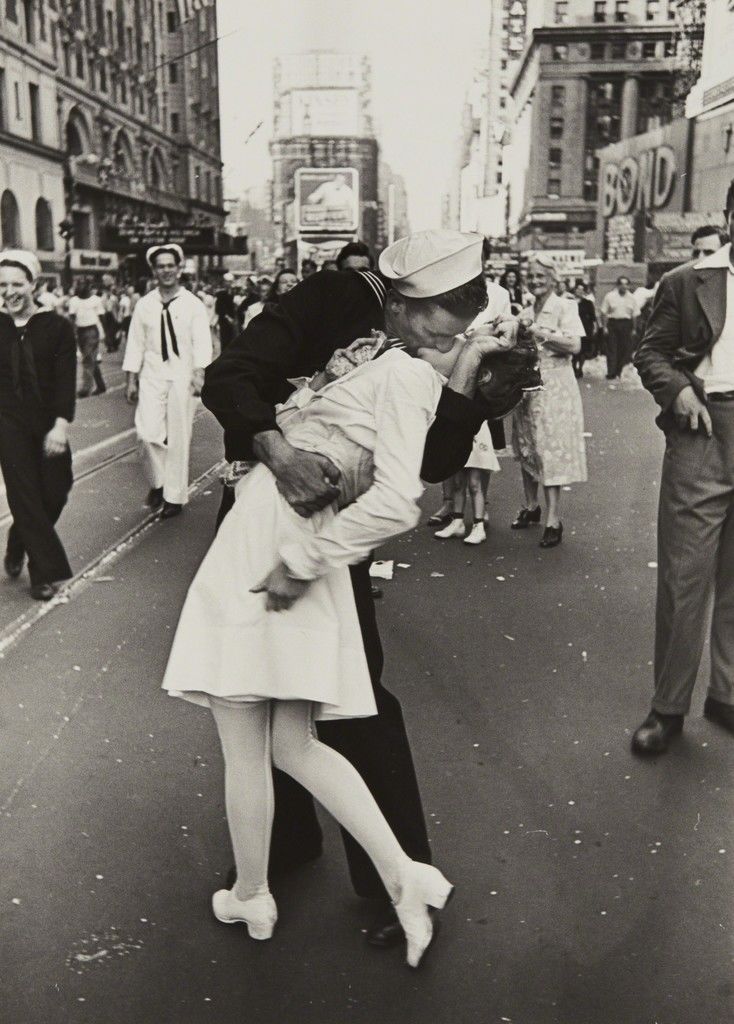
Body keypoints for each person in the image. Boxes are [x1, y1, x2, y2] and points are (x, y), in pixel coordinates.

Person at [201, 230, 514, 951]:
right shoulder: (333, 296)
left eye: (461, 327)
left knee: (353, 696)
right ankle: (278, 849)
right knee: (256, 690)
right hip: (266, 505)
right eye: (441, 322)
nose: (445, 338)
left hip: (336, 531)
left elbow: (429, 465)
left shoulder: (444, 350)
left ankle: (394, 877)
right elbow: (231, 377)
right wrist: (276, 451)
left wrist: (463, 380)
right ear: (403, 300)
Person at [631, 184, 734, 755]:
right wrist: (677, 393)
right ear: (729, 217)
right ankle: (667, 709)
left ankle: (727, 694)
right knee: (684, 578)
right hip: (704, 431)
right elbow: (649, 353)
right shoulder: (687, 281)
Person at [0, 250, 76, 601]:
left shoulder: (56, 327)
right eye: (2, 285)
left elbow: (65, 379)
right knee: (25, 495)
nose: (10, 291)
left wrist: (60, 426)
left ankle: (18, 538)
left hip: (47, 421)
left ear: (33, 284)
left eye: (17, 283)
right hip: (7, 424)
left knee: (56, 490)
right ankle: (42, 573)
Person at [122, 244, 213, 519]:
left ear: (179, 268)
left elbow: (202, 342)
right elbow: (135, 343)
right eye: (160, 266)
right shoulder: (145, 305)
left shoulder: (193, 304)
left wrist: (199, 374)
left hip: (182, 376)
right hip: (152, 375)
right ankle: (158, 483)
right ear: (154, 271)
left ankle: (174, 496)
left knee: (179, 436)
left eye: (170, 265)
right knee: (147, 433)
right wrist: (131, 379)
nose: (166, 271)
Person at [510, 255, 586, 548]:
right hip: (528, 386)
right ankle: (532, 507)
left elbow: (574, 345)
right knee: (527, 446)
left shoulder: (566, 307)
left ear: (553, 279)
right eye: (531, 275)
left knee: (550, 449)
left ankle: (554, 519)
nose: (535, 280)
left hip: (556, 387)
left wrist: (537, 332)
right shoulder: (526, 310)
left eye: (541, 276)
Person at [67, 280, 106, 397]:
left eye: (84, 285)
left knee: (87, 359)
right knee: (90, 359)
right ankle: (101, 385)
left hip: (92, 331)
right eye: (79, 285)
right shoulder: (73, 301)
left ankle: (85, 388)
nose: (81, 287)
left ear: (89, 287)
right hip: (80, 331)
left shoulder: (96, 300)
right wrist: (72, 332)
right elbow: (72, 317)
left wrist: (104, 332)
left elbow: (102, 316)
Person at [600, 276, 637, 380]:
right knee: (612, 348)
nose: (624, 286)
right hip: (613, 324)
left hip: (626, 324)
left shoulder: (632, 298)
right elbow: (604, 312)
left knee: (623, 348)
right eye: (622, 284)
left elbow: (634, 315)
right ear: (618, 285)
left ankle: (618, 371)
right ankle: (611, 372)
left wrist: (634, 329)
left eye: (626, 284)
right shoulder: (610, 296)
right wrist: (604, 327)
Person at [571, 282, 598, 379]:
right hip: (572, 328)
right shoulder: (570, 302)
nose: (580, 291)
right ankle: (573, 367)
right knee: (574, 349)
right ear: (575, 290)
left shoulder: (588, 303)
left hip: (585, 328)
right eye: (578, 289)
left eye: (582, 290)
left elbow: (593, 317)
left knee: (583, 350)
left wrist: (594, 328)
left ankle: (580, 368)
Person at [215, 273, 238, 351]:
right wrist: (227, 318)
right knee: (225, 342)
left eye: (231, 281)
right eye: (227, 281)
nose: (229, 283)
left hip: (233, 321)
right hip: (225, 321)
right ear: (224, 282)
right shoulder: (220, 294)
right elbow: (219, 308)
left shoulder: (234, 293)